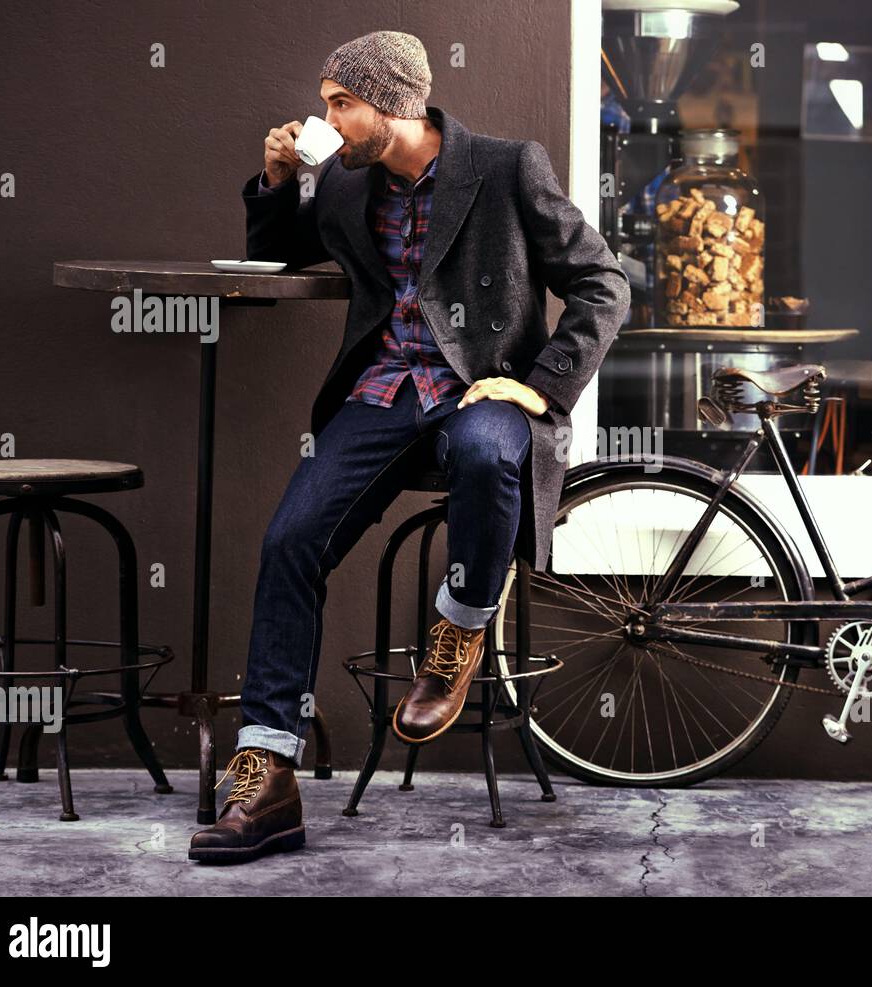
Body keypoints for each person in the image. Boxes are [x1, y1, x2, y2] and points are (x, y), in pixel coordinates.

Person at [189, 30, 630, 863]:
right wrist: (280, 181)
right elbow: (277, 258)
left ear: (392, 105)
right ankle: (269, 773)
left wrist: (542, 383)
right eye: (326, 104)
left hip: (483, 388)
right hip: (384, 392)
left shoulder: (507, 167)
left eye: (338, 105)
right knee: (289, 541)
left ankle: (458, 631)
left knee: (486, 449)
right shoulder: (349, 189)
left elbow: (603, 281)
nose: (325, 119)